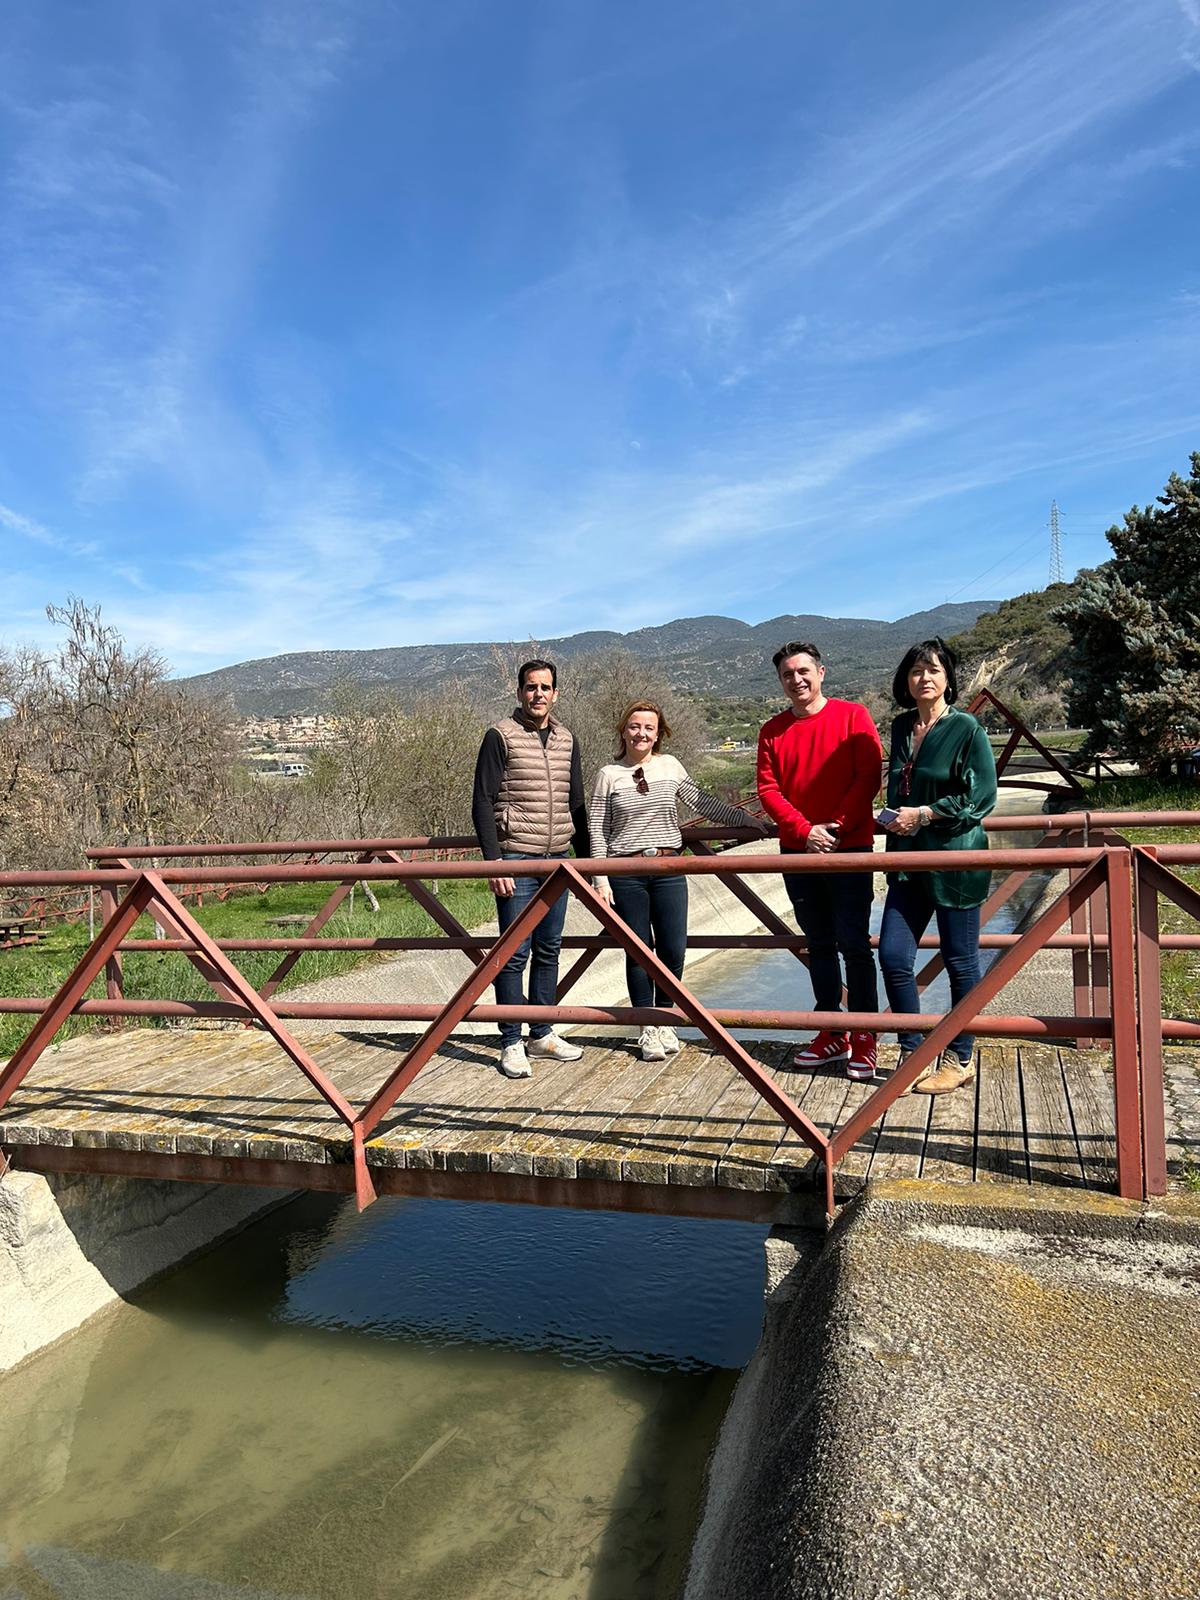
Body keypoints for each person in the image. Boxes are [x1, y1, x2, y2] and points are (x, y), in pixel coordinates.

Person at [591, 701, 767, 1061]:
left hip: (670, 867)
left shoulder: (669, 766)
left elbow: (702, 802)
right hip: (626, 873)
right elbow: (597, 829)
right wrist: (600, 877)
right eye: (635, 726)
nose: (641, 733)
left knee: (673, 947)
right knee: (638, 951)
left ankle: (667, 1016)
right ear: (623, 730)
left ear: (659, 733)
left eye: (649, 728)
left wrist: (746, 821)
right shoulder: (608, 774)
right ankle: (647, 1027)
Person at [757, 642, 883, 1081]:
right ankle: (831, 1029)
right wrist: (804, 831)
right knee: (820, 943)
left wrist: (836, 826)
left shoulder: (853, 716)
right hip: (800, 850)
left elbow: (868, 775)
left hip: (849, 848)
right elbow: (768, 790)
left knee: (854, 942)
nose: (797, 680)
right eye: (788, 674)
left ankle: (866, 1035)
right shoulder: (772, 730)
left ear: (822, 672)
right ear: (781, 681)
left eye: (804, 671)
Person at [879, 638, 997, 1094]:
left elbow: (981, 797)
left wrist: (925, 813)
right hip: (909, 861)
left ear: (947, 678)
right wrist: (894, 814)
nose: (923, 678)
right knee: (892, 955)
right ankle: (913, 1051)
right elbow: (900, 787)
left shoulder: (966, 727)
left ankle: (961, 1056)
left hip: (955, 860)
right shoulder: (901, 727)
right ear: (905, 682)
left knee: (960, 959)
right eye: (914, 671)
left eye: (932, 670)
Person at [471, 659, 589, 1079]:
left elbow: (577, 802)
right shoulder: (500, 735)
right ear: (519, 692)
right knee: (513, 953)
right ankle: (510, 1041)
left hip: (557, 860)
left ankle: (542, 1033)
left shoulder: (566, 739)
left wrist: (591, 863)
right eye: (531, 687)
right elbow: (482, 802)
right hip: (516, 858)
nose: (538, 694)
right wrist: (493, 862)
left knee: (549, 949)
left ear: (556, 693)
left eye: (546, 687)